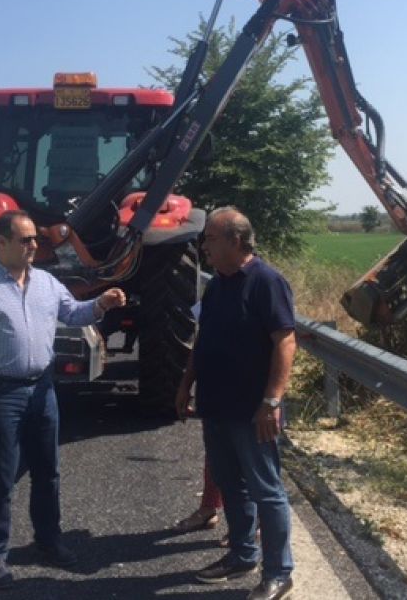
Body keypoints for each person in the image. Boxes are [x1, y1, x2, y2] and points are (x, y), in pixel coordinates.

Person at [0, 210, 126, 589]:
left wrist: (101, 304)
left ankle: (48, 539)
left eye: (34, 239)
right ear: (0, 244)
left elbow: (73, 313)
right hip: (0, 391)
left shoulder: (47, 282)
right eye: (25, 240)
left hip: (43, 389)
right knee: (1, 474)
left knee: (48, 469)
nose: (34, 245)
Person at [176, 206, 297, 600]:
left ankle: (279, 572)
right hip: (216, 405)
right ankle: (242, 555)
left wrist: (272, 400)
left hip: (252, 409)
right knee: (231, 485)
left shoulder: (266, 281)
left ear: (235, 240)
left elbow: (285, 341)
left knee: (266, 489)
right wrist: (185, 385)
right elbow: (203, 338)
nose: (204, 245)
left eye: (210, 238)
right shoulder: (216, 284)